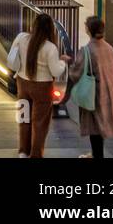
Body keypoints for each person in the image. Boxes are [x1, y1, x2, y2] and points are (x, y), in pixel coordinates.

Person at [7, 12, 69, 158]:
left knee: (24, 118)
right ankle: (36, 154)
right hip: (42, 87)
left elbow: (13, 56)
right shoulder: (50, 48)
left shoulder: (21, 38)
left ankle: (23, 151)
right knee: (39, 123)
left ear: (33, 26)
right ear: (49, 29)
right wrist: (63, 62)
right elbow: (56, 70)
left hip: (22, 83)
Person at [70, 15, 113, 159]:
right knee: (101, 126)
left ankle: (98, 155)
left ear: (88, 30)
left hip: (94, 95)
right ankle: (96, 153)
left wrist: (68, 65)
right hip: (109, 92)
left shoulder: (87, 50)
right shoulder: (109, 48)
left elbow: (75, 73)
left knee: (95, 128)